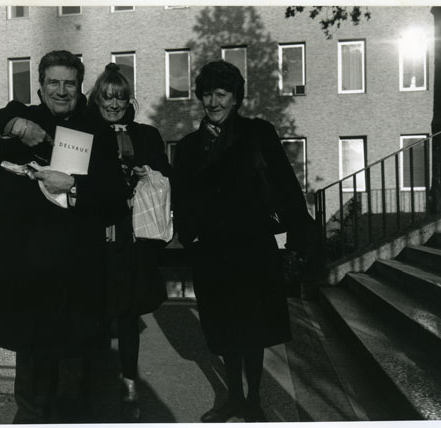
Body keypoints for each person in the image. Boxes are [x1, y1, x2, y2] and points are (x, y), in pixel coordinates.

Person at [0, 50, 128, 424]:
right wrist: (16, 125)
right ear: (40, 86)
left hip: (75, 275)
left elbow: (116, 198)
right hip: (28, 274)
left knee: (73, 386)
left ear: (80, 87)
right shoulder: (22, 117)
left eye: (69, 83)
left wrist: (74, 186)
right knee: (32, 385)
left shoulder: (95, 129)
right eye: (54, 82)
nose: (61, 91)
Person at [172, 60, 313, 423]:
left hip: (252, 248)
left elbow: (284, 184)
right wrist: (190, 235)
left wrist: (297, 236)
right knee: (223, 328)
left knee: (252, 329)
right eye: (207, 94)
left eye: (221, 94)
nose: (213, 102)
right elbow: (180, 197)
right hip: (211, 252)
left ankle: (253, 401)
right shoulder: (188, 146)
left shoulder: (257, 133)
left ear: (236, 98)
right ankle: (233, 397)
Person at [87, 63, 172, 421]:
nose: (113, 104)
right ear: (97, 99)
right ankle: (92, 385)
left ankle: (129, 385)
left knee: (128, 314)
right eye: (107, 97)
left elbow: (166, 176)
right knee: (92, 312)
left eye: (120, 97)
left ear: (128, 100)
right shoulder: (84, 132)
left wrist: (146, 173)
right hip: (94, 236)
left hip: (132, 235)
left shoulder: (147, 135)